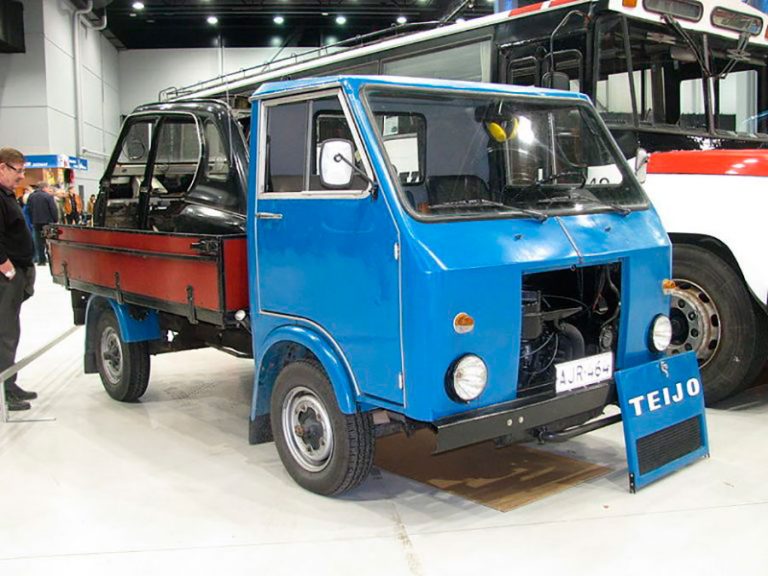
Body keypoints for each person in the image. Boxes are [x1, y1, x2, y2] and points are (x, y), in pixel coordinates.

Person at [0, 147, 37, 411]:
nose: (22, 176)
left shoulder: (7, 195)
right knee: (6, 333)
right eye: (19, 170)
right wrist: (6, 266)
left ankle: (9, 383)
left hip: (16, 272)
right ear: (2, 167)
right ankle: (5, 391)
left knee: (10, 330)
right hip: (6, 275)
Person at [26, 181, 58, 265]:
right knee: (50, 241)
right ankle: (52, 259)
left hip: (36, 222)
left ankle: (41, 260)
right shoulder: (48, 196)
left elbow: (28, 209)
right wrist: (55, 220)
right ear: (44, 188)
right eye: (48, 187)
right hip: (48, 223)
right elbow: (53, 209)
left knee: (38, 242)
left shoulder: (31, 196)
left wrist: (32, 219)